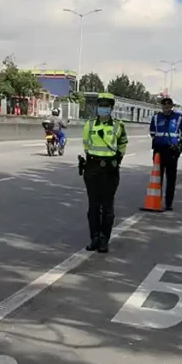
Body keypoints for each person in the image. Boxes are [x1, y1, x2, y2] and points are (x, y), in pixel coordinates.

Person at [81, 93, 128, 253]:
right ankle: (94, 238)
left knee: (107, 207)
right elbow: (86, 145)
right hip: (92, 168)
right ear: (97, 106)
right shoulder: (89, 125)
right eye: (101, 105)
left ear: (111, 108)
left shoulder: (118, 126)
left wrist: (117, 159)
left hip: (110, 169)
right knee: (93, 206)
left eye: (107, 105)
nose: (103, 108)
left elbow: (122, 143)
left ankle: (104, 240)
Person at [149, 97, 182, 210]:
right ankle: (157, 200)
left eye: (168, 105)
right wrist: (158, 141)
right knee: (157, 178)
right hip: (159, 151)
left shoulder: (178, 118)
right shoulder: (156, 118)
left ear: (171, 106)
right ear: (161, 106)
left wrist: (180, 144)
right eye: (164, 105)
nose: (166, 106)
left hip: (172, 151)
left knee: (171, 179)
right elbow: (152, 132)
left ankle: (169, 203)